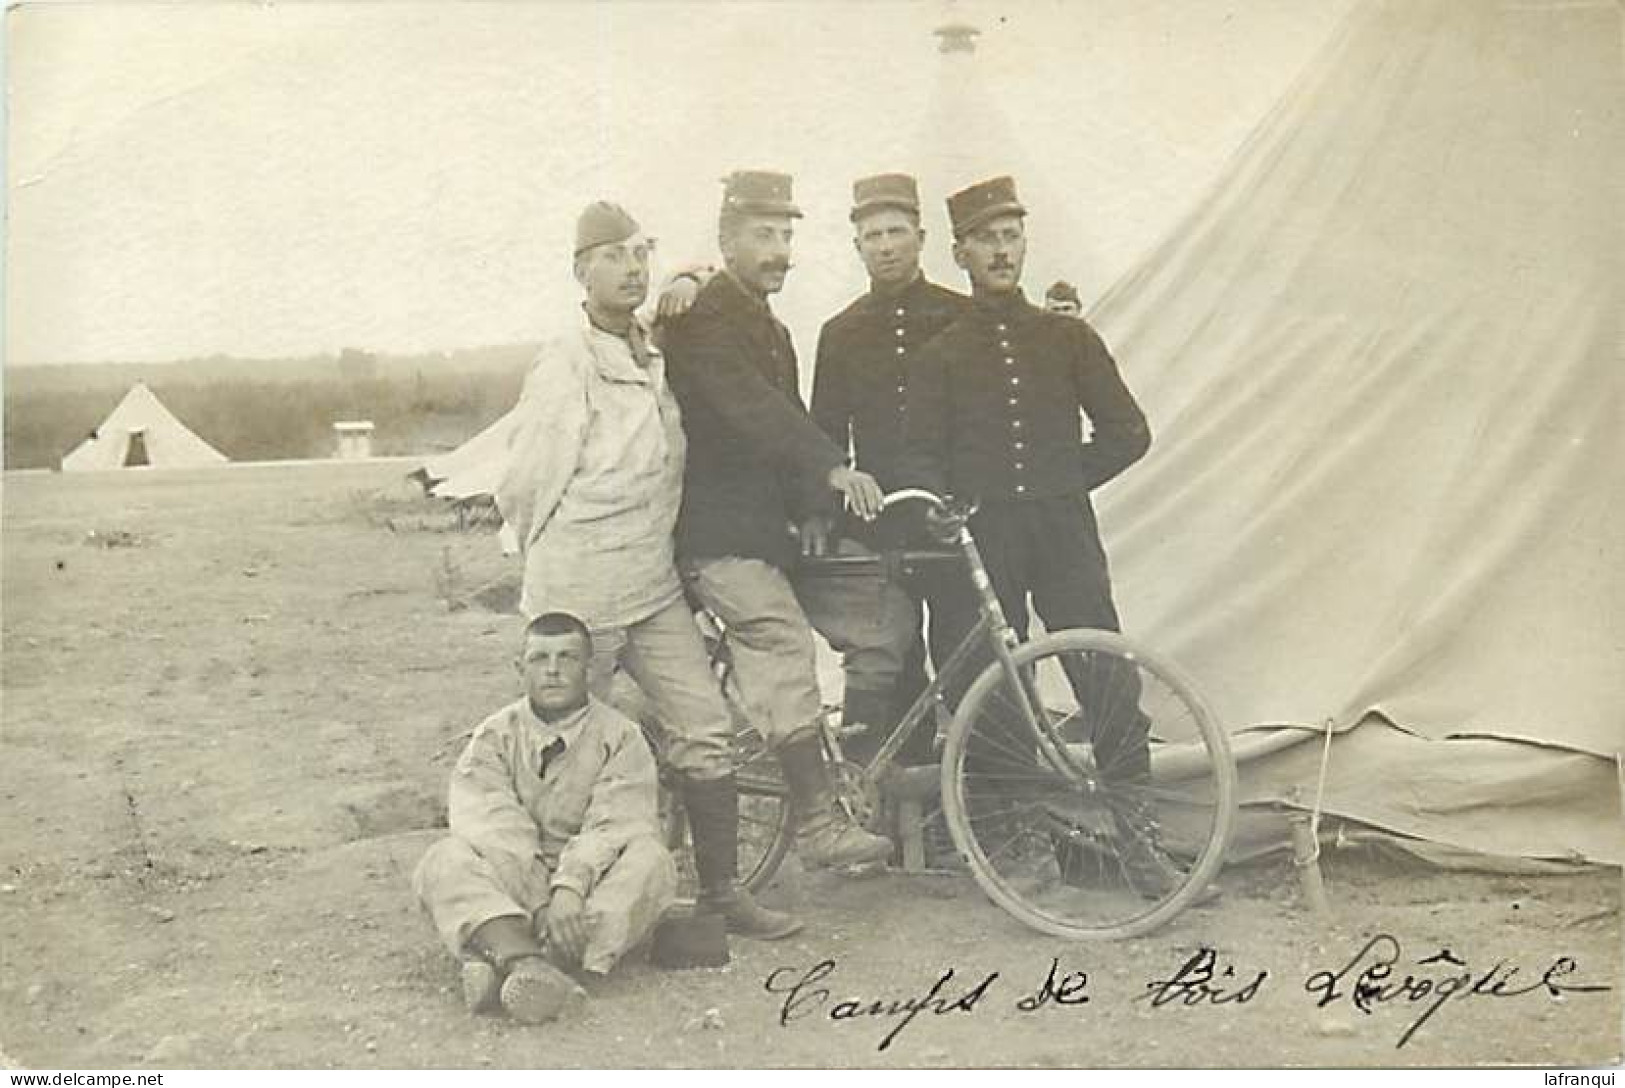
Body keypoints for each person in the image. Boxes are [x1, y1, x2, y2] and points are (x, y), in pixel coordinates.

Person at [493, 201, 803, 940]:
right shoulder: (565, 365)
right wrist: (549, 575)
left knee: (702, 726)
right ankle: (533, 903)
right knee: (558, 747)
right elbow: (526, 481)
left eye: (641, 254)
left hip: (650, 584)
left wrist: (691, 273)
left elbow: (695, 284)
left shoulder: (653, 343)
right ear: (580, 272)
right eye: (613, 257)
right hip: (577, 592)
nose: (632, 269)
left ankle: (722, 891)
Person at [901, 176, 1171, 894]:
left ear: (1024, 243)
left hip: (1060, 529)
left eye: (1010, 236)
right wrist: (942, 503)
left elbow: (1128, 432)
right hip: (983, 533)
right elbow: (919, 452)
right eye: (985, 240)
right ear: (959, 253)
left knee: (1105, 671)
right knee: (988, 681)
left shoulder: (1066, 336)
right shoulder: (941, 351)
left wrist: (1062, 477)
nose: (1000, 250)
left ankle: (1140, 845)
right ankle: (1024, 843)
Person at [661, 169, 899, 872]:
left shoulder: (772, 328)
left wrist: (813, 508)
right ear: (726, 240)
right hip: (719, 540)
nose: (777, 251)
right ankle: (819, 824)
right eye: (762, 234)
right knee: (780, 639)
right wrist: (833, 468)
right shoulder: (703, 316)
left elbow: (787, 422)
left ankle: (855, 778)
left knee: (882, 615)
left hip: (774, 535)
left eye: (786, 236)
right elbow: (750, 411)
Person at [412, 612, 677, 1024]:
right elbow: (490, 821)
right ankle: (534, 967)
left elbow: (615, 822)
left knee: (652, 860)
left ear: (589, 669)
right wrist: (539, 900)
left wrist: (570, 887)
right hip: (516, 884)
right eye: (540, 659)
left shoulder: (621, 736)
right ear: (521, 669)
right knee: (443, 859)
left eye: (568, 658)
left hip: (589, 887)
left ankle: (508, 959)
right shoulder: (495, 734)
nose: (553, 671)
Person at [803, 172, 972, 762]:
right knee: (891, 663)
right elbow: (827, 436)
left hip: (951, 519)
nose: (885, 244)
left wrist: (965, 504)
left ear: (921, 237)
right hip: (879, 526)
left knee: (968, 653)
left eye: (896, 230)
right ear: (856, 246)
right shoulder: (841, 332)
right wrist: (828, 510)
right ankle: (904, 802)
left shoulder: (962, 317)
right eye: (871, 234)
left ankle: (983, 798)